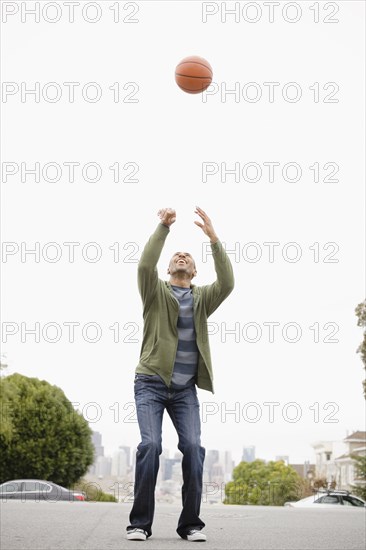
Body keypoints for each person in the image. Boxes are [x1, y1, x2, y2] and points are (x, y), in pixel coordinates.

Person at [126, 206, 235, 542]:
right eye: (177, 256)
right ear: (170, 267)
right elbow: (145, 264)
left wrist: (214, 238)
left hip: (185, 390)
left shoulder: (202, 298)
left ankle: (190, 524)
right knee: (151, 445)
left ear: (194, 270)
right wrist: (163, 227)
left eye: (188, 256)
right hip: (150, 384)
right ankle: (140, 524)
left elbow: (228, 283)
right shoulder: (154, 292)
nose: (182, 256)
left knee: (193, 447)